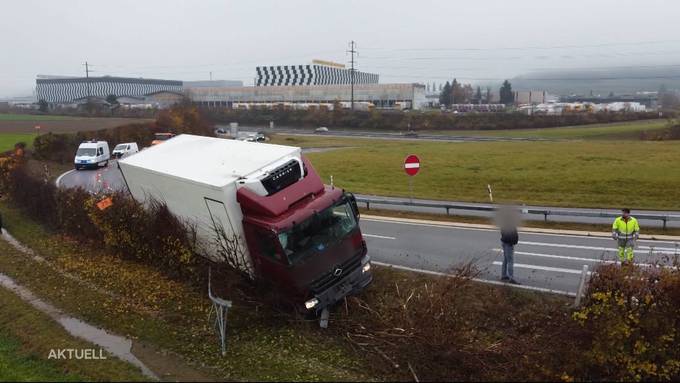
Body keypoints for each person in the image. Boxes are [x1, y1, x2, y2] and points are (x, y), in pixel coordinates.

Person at [497, 205, 520, 284]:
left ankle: (504, 275)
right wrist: (513, 242)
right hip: (508, 244)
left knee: (506, 260)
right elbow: (511, 235)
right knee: (510, 261)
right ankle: (511, 277)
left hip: (504, 243)